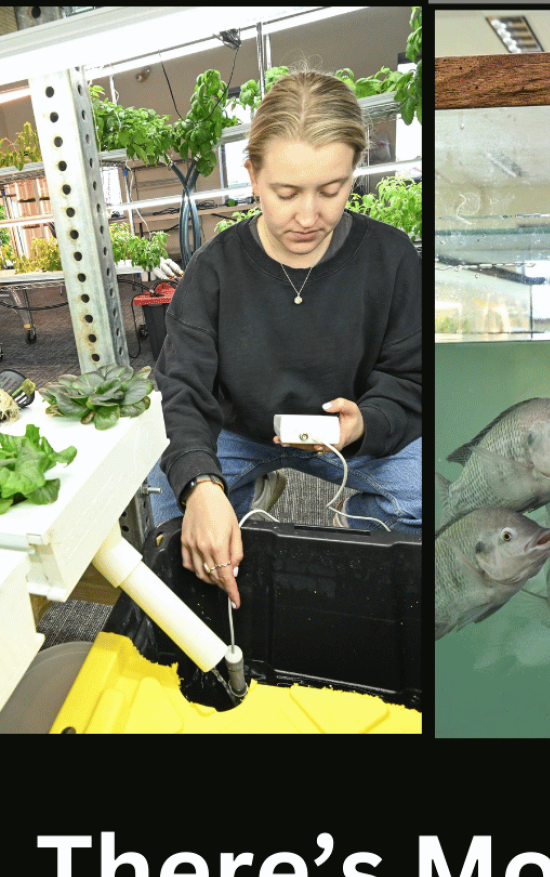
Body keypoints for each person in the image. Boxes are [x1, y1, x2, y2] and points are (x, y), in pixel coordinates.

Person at [146, 69, 421, 610]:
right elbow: (180, 388)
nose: (307, 215)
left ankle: (364, 567)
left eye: (332, 189)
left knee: (428, 499)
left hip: (347, 436)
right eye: (286, 192)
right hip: (240, 434)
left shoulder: (391, 259)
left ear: (353, 173)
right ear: (252, 175)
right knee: (170, 493)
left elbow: (409, 376)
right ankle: (237, 512)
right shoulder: (213, 270)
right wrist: (201, 483)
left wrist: (369, 421)